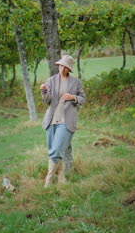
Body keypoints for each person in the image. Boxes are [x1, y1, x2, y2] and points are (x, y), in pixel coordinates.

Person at [40, 55, 85, 187]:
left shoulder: (76, 82)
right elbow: (46, 101)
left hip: (67, 120)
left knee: (56, 149)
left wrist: (73, 97)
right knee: (53, 150)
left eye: (64, 67)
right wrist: (44, 92)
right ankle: (61, 178)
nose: (61, 68)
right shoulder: (51, 80)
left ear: (68, 69)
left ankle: (48, 180)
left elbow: (83, 99)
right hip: (51, 119)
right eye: (60, 65)